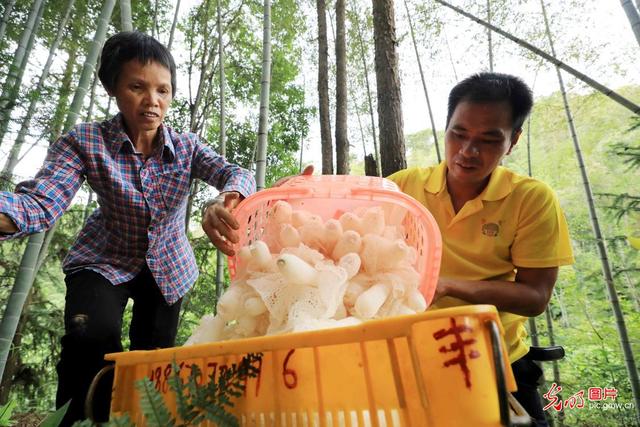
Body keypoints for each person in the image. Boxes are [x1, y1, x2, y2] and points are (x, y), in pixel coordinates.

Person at [0, 31, 255, 426]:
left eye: (163, 90)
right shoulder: (84, 141)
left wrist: (225, 200)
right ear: (112, 88)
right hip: (105, 259)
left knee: (152, 360)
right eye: (137, 87)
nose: (152, 101)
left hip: (169, 266)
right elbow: (41, 202)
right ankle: (81, 422)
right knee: (91, 338)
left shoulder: (187, 147)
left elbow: (235, 173)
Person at [387, 72, 574, 427]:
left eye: (488, 140)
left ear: (513, 140)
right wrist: (303, 191)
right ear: (446, 128)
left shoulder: (531, 200)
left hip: (494, 359)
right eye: (458, 134)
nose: (467, 152)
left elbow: (535, 297)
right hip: (409, 357)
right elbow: (339, 220)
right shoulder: (403, 187)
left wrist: (448, 286)